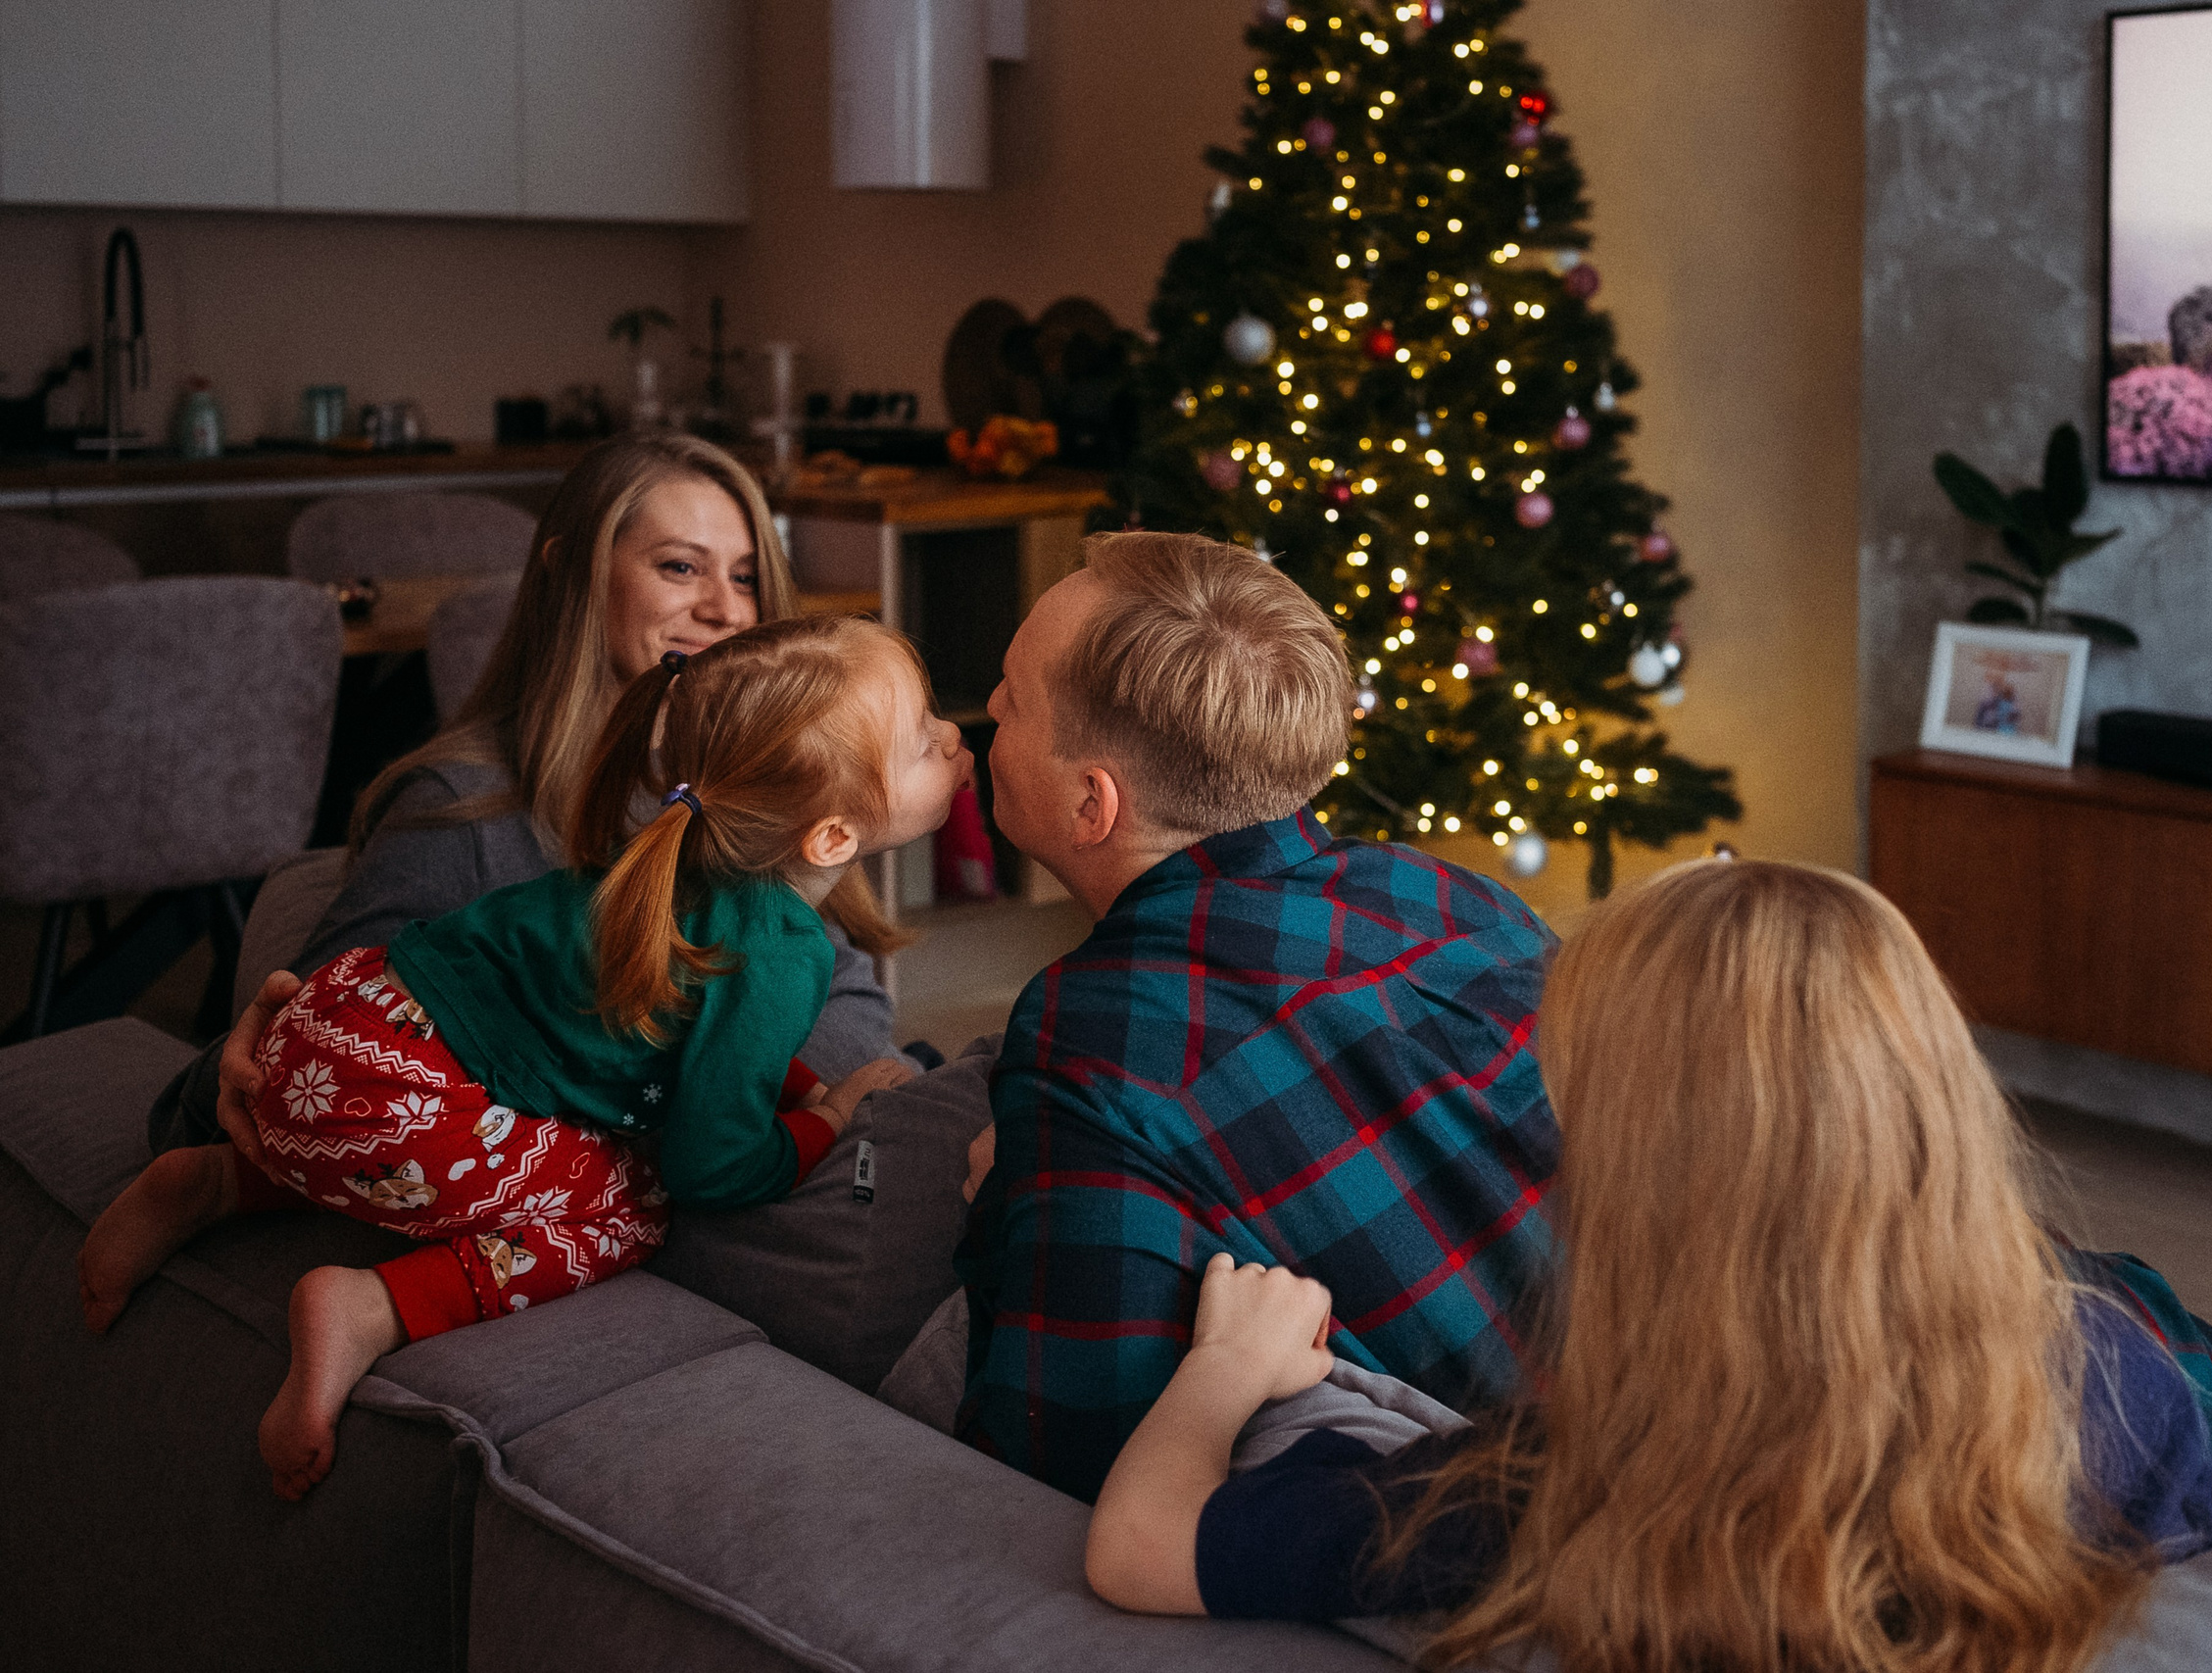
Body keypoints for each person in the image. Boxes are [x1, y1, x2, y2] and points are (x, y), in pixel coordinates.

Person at [1083, 859, 2212, 1673]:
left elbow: (1140, 1549)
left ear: (1633, 1178)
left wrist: (1228, 1366)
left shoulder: (1570, 1495)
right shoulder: (2127, 1377)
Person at [79, 614, 967, 1500]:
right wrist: (823, 1120)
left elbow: (700, 1051)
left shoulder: (661, 864)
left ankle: (219, 1182)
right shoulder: (778, 952)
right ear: (832, 840)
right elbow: (712, 1163)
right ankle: (371, 1307)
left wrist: (797, 1086)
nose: (951, 735)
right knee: (630, 1206)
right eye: (925, 738)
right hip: (392, 1101)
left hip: (325, 1038)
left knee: (469, 1135)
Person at [954, 530, 1560, 1501]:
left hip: (1471, 1539)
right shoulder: (1455, 900)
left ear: (1089, 803)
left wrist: (997, 1198)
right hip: (1641, 1439)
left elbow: (1055, 1442)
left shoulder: (1094, 1039)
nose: (986, 713)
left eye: (1013, 699)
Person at [150, 432, 905, 1171]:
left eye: (745, 578)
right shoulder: (465, 807)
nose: (727, 610)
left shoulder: (750, 795)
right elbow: (284, 1066)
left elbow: (852, 1001)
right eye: (681, 567)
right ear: (571, 573)